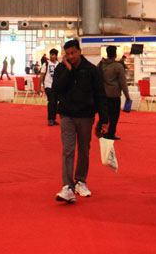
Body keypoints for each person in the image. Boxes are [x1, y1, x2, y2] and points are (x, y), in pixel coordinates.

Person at [52, 39, 109, 203]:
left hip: (86, 116)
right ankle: (67, 186)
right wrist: (69, 71)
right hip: (66, 115)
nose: (70, 56)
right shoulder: (62, 69)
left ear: (79, 51)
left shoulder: (91, 70)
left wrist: (104, 119)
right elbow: (56, 88)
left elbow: (100, 95)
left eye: (73, 53)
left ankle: (80, 181)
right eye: (67, 54)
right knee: (68, 150)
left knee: (84, 150)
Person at [98, 45, 131, 140]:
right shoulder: (118, 66)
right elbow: (122, 82)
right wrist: (127, 96)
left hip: (103, 94)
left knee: (104, 115)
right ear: (115, 54)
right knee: (114, 116)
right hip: (114, 94)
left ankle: (103, 131)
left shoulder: (101, 64)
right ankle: (111, 133)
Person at [40, 48, 60, 126]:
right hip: (48, 85)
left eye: (53, 55)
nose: (51, 56)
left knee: (55, 102)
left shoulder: (59, 64)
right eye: (50, 54)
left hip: (56, 86)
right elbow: (42, 75)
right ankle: (50, 119)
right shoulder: (46, 64)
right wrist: (39, 86)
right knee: (51, 102)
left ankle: (53, 119)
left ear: (56, 56)